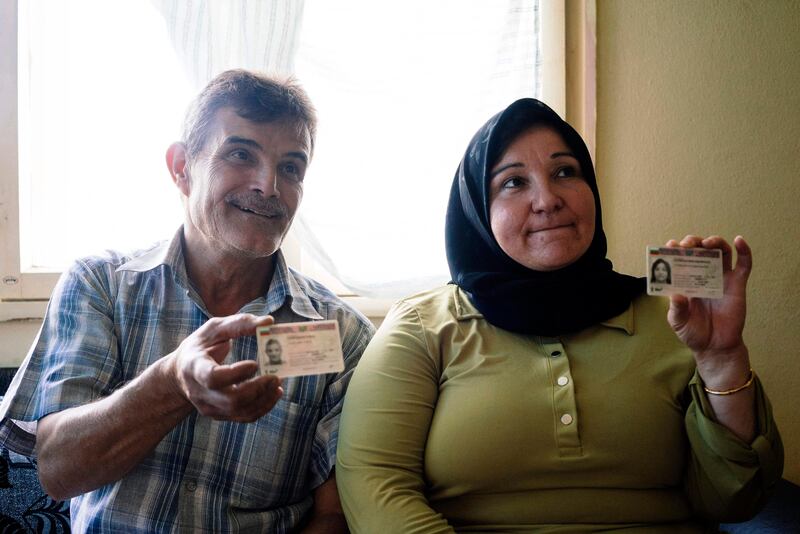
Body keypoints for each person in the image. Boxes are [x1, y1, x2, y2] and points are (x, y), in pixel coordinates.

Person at [336, 98, 783, 532]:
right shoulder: (422, 326)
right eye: (513, 182)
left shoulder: (677, 319)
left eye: (565, 172)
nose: (547, 199)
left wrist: (722, 360)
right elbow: (375, 487)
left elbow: (735, 499)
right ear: (477, 208)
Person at [0, 69, 374, 533]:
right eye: (241, 154)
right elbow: (59, 472)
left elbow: (335, 515)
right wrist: (173, 383)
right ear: (181, 168)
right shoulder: (101, 284)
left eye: (291, 167)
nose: (269, 185)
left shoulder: (342, 334)